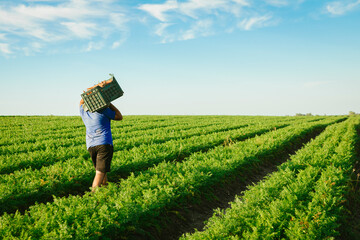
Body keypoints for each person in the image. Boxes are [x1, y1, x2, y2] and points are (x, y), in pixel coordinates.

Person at [80, 80, 123, 192]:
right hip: (104, 144)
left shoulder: (83, 111)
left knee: (102, 172)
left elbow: (83, 99)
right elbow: (119, 116)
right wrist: (108, 102)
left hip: (91, 146)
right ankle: (93, 197)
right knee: (99, 174)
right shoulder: (103, 110)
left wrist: (96, 87)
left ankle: (105, 191)